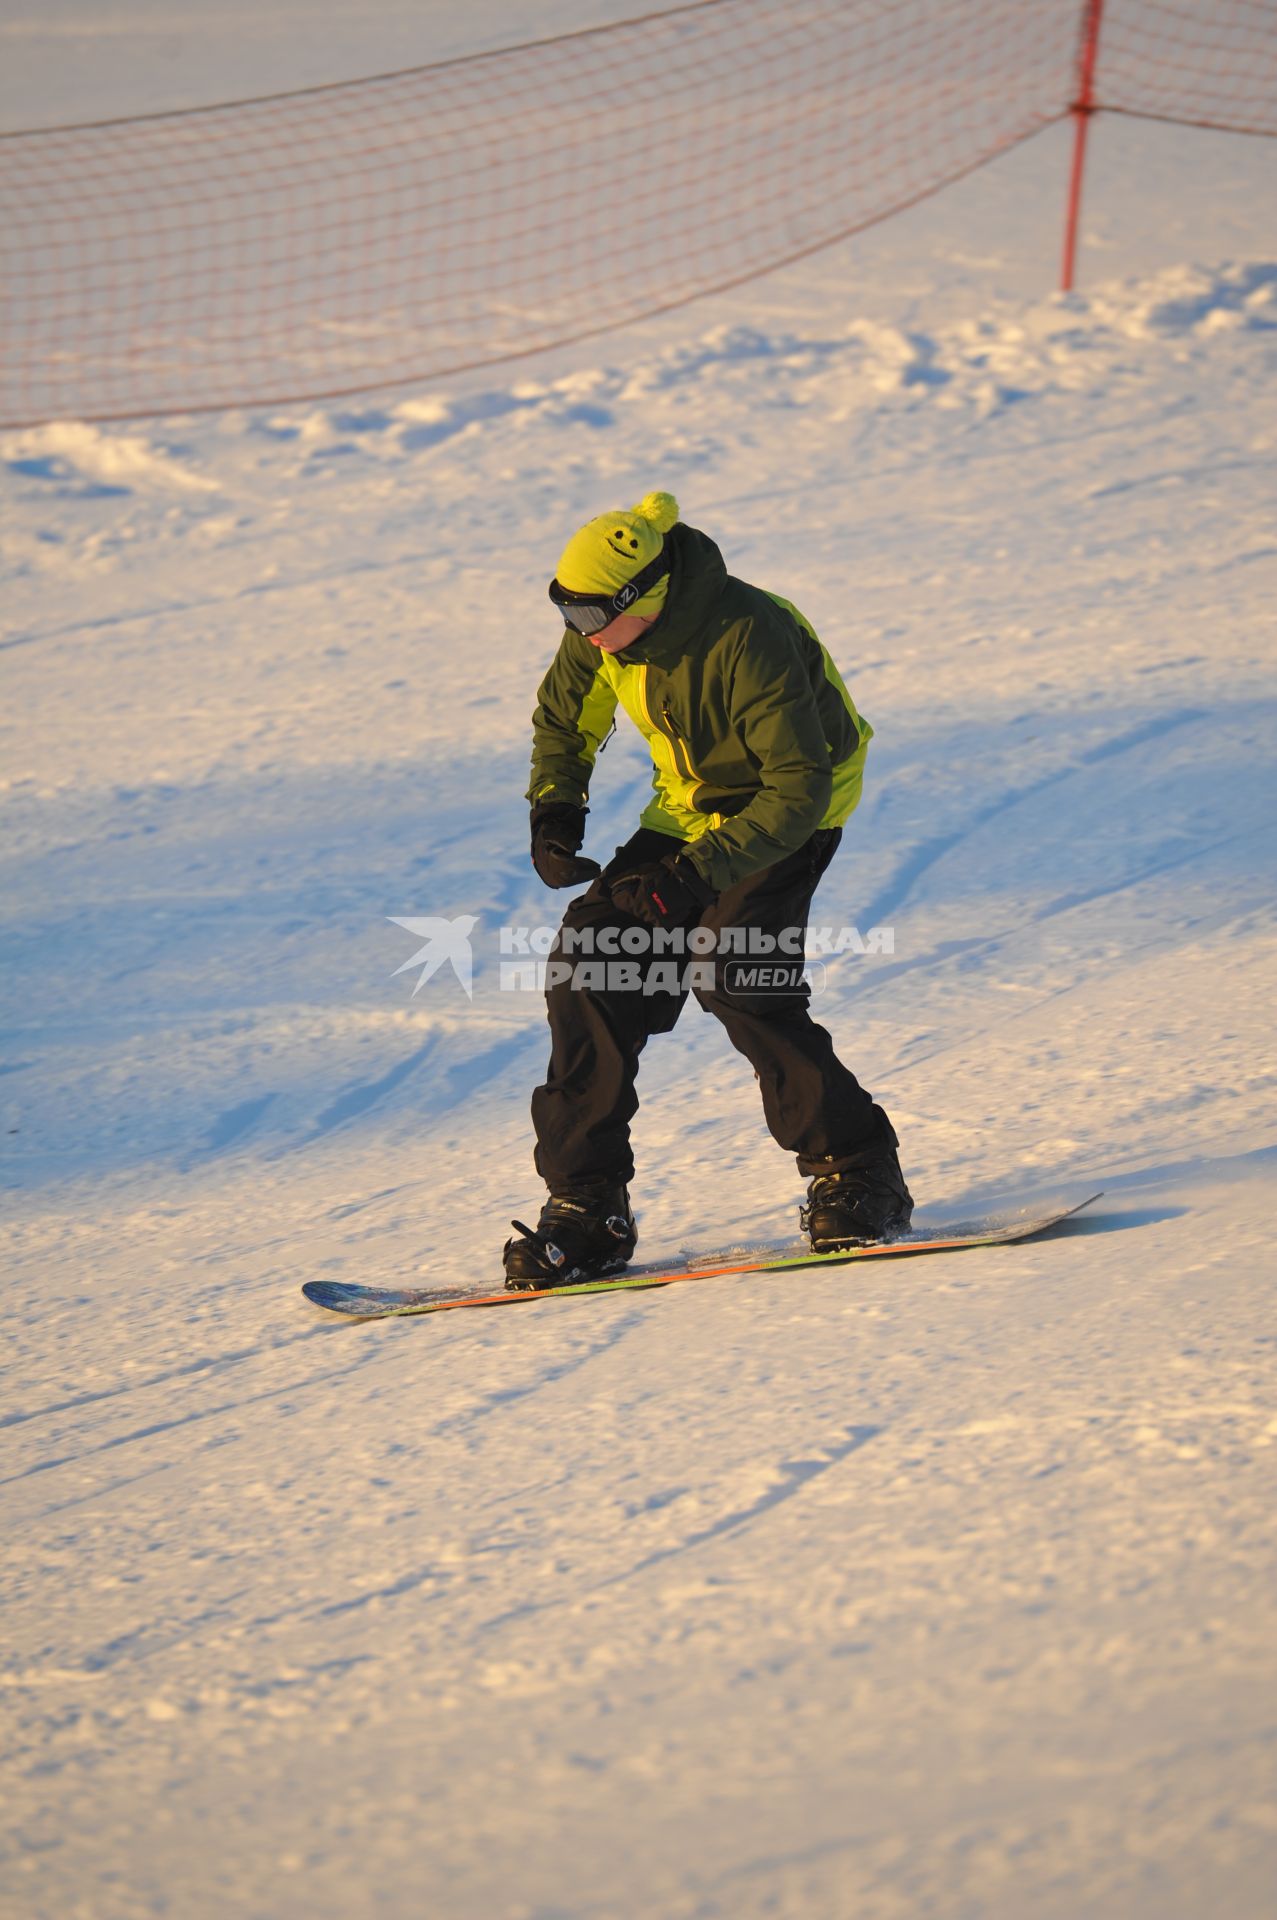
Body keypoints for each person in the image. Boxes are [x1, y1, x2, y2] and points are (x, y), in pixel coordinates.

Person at [503, 491, 912, 1290]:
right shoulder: (604, 635)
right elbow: (564, 718)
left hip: (788, 808)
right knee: (591, 964)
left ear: (644, 597)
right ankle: (588, 1206)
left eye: (589, 617)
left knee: (737, 974)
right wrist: (555, 804)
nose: (579, 634)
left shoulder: (748, 634)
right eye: (565, 612)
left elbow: (794, 788)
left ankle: (859, 1172)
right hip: (689, 808)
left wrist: (687, 882)